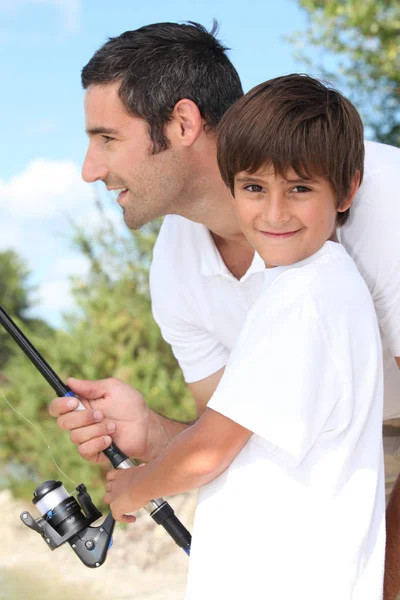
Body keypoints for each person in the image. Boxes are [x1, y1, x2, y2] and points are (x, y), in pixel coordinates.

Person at [48, 22, 400, 599]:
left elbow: (211, 448)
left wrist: (137, 487)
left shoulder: (379, 215)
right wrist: (153, 432)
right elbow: (232, 439)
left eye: (107, 138)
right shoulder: (176, 266)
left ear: (183, 123)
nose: (90, 168)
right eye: (255, 188)